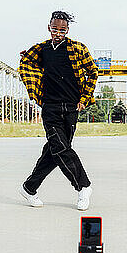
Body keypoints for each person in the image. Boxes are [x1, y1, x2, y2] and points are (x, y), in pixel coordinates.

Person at [18, 11, 98, 210]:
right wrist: (26, 58)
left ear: (67, 30)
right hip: (51, 108)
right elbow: (28, 63)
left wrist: (85, 98)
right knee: (61, 148)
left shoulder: (78, 48)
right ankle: (83, 186)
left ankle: (29, 188)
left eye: (62, 30)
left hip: (71, 108)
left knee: (56, 151)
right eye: (55, 29)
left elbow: (93, 71)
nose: (58, 33)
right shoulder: (42, 49)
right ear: (49, 28)